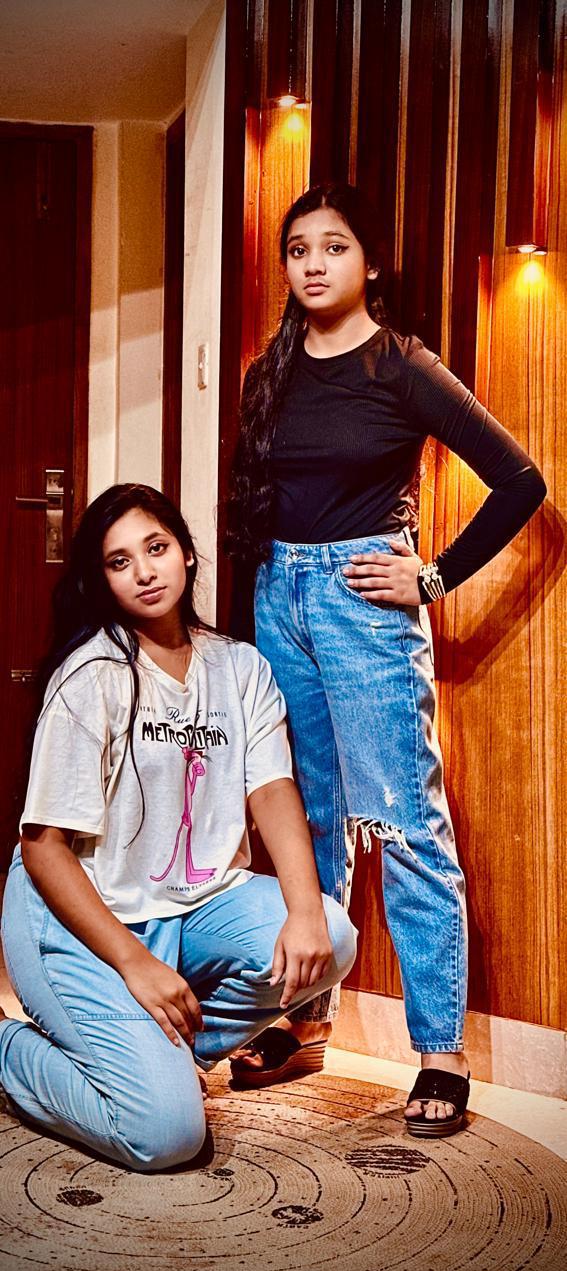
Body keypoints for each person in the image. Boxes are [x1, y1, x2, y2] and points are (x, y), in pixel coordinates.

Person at [225, 183, 547, 1136]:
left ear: (369, 264)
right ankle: (305, 1022)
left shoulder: (403, 367)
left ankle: (440, 1052)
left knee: (403, 824)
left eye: (333, 246)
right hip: (279, 600)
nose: (313, 264)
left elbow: (520, 482)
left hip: (363, 607)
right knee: (307, 821)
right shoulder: (270, 372)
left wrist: (431, 575)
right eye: (297, 249)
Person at [0, 484, 357, 1171]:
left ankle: (169, 1053)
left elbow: (271, 789)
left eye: (156, 548)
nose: (144, 571)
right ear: (102, 581)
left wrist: (307, 910)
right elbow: (42, 850)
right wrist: (135, 964)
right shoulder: (92, 675)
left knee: (330, 937)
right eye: (119, 561)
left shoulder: (239, 666)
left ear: (186, 554)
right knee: (165, 1137)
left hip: (191, 904)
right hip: (77, 912)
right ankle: (8, 1051)